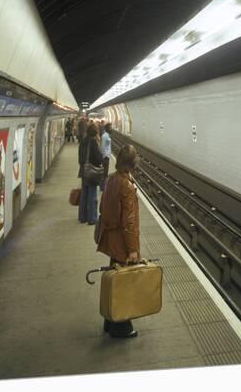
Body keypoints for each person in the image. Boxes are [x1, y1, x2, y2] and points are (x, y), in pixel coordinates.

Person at [96, 144, 140, 339]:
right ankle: (121, 328)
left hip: (111, 236)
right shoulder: (127, 186)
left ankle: (109, 322)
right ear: (132, 163)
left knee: (114, 279)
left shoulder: (111, 179)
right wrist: (132, 250)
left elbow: (101, 207)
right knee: (122, 283)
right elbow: (129, 222)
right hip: (122, 241)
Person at [78, 122, 103, 225]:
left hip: (84, 170)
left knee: (84, 194)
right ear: (95, 133)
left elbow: (80, 157)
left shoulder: (83, 141)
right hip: (91, 172)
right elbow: (98, 159)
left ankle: (82, 217)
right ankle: (92, 218)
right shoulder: (93, 143)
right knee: (92, 196)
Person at [99, 123, 112, 191]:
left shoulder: (107, 135)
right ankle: (102, 186)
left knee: (105, 172)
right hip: (105, 157)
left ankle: (104, 185)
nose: (111, 129)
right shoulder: (104, 136)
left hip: (107, 156)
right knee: (104, 173)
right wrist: (104, 157)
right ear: (106, 128)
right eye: (110, 128)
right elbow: (102, 147)